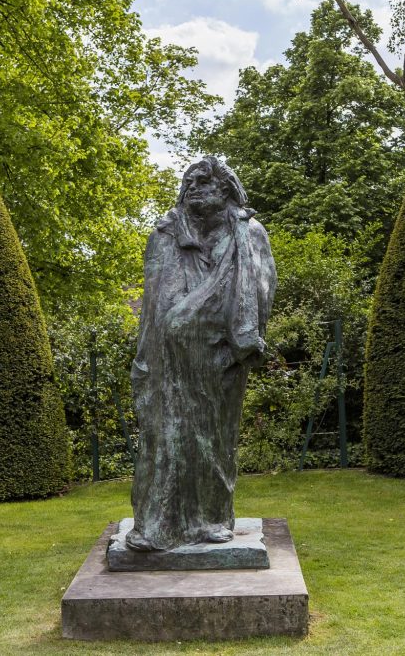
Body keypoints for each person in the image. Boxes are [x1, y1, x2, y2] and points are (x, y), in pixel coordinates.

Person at [126, 156, 276, 552]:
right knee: (163, 437)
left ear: (225, 190)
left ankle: (211, 518)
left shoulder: (250, 234)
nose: (193, 188)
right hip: (168, 361)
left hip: (220, 357)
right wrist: (148, 354)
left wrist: (241, 341)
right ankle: (157, 525)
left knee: (214, 437)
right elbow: (155, 300)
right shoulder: (165, 234)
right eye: (188, 183)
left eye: (203, 183)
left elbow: (261, 291)